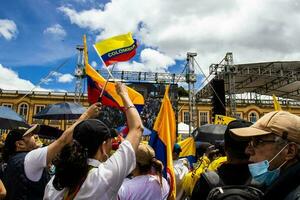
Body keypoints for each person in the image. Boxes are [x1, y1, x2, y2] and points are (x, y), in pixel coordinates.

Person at [44, 82, 143, 200]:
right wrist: (124, 94)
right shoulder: (105, 176)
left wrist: (86, 114)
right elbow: (137, 128)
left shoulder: (55, 182)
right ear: (103, 145)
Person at [2, 103, 100, 200]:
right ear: (20, 144)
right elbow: (63, 140)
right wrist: (87, 114)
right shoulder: (29, 159)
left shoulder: (11, 161)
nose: (36, 136)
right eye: (30, 135)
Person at [230, 111, 300, 200]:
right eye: (250, 142)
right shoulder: (277, 188)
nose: (248, 151)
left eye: (257, 142)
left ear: (290, 151)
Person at [191, 120, 252, 200]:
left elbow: (189, 181)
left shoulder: (207, 180)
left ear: (225, 147)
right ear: (252, 148)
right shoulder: (264, 181)